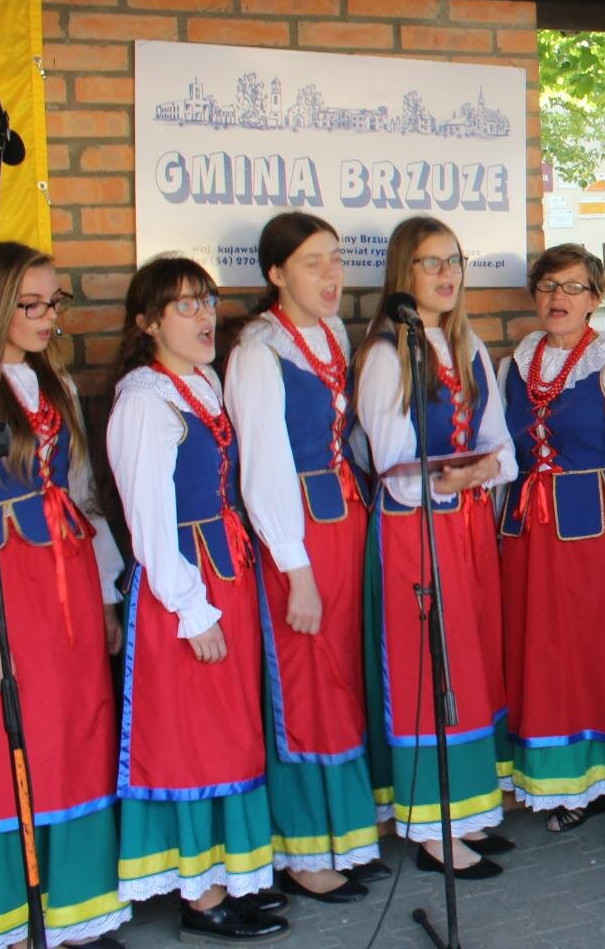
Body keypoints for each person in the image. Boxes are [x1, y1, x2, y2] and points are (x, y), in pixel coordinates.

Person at [109, 255, 288, 940]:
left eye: (207, 301)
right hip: (185, 588)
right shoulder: (145, 402)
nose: (203, 315)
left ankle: (229, 877)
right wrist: (192, 608)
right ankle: (200, 896)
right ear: (148, 323)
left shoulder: (202, 384)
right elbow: (150, 523)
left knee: (229, 732)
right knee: (194, 738)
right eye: (184, 305)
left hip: (225, 574)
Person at [0, 244, 131, 949]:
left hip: (69, 582)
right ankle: (11, 918)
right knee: (11, 738)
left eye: (53, 302)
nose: (46, 317)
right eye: (29, 304)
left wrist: (106, 594)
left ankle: (75, 910)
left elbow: (84, 493)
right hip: (7, 590)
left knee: (77, 733)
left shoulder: (55, 383)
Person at [225, 214, 384, 904]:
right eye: (313, 262)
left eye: (336, 259)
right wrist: (296, 570)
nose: (331, 274)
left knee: (342, 678)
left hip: (344, 520)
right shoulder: (257, 351)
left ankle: (348, 833)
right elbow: (262, 467)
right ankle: (303, 849)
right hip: (296, 538)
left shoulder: (331, 333)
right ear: (276, 274)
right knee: (305, 682)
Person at [355, 217, 517, 878]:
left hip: (467, 525)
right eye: (431, 263)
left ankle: (467, 809)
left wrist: (485, 470)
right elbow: (390, 460)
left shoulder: (467, 343)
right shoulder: (386, 355)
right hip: (413, 530)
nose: (448, 275)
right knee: (429, 663)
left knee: (469, 661)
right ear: (405, 272)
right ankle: (431, 826)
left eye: (454, 261)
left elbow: (500, 442)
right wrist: (455, 476)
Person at [498, 245, 605, 850]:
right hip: (528, 539)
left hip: (597, 538)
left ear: (595, 298)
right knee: (548, 660)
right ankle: (577, 786)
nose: (558, 298)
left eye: (573, 287)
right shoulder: (514, 365)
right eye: (548, 286)